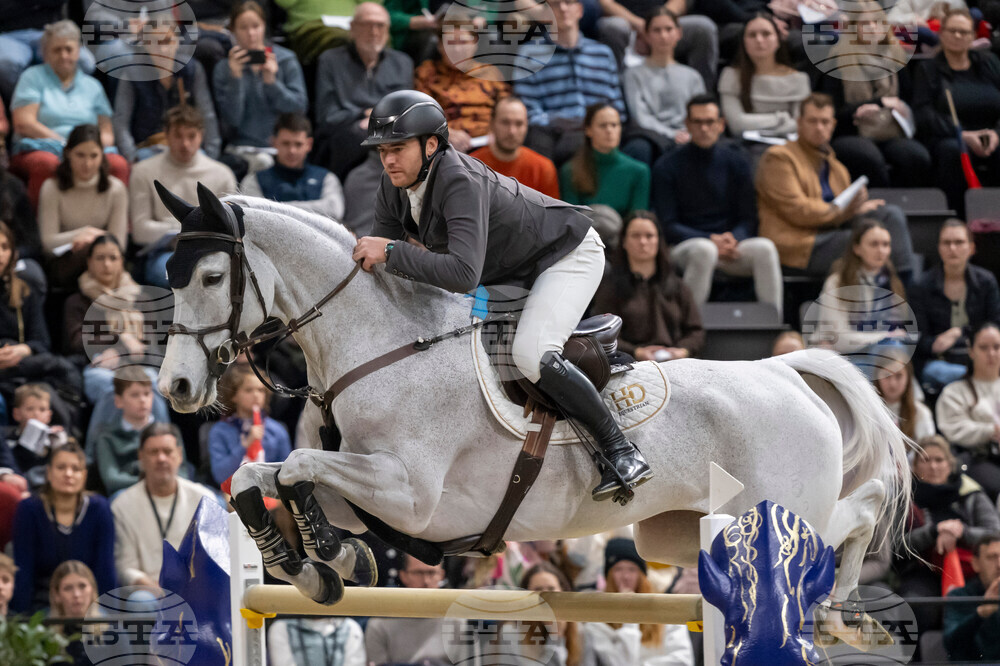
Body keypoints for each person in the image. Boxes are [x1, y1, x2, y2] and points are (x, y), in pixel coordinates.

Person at [354, 90, 651, 502]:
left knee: (530, 354)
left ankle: (621, 451)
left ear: (431, 145)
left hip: (567, 255)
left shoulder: (458, 180)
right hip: (510, 273)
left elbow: (460, 273)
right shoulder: (394, 186)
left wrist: (389, 251)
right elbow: (383, 266)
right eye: (383, 151)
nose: (388, 160)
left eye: (398, 149)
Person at [755, 94, 915, 278]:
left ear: (833, 125)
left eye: (824, 122)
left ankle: (906, 286)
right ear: (799, 123)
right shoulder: (779, 158)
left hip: (831, 235)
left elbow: (842, 214)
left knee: (890, 215)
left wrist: (857, 210)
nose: (819, 128)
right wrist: (844, 211)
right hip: (799, 245)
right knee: (868, 242)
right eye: (812, 121)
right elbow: (798, 210)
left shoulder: (837, 168)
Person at [652, 95, 782, 314]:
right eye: (697, 122)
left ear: (721, 124)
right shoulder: (667, 166)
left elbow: (749, 217)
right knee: (705, 250)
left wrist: (734, 238)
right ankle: (688, 326)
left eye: (710, 122)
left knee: (765, 249)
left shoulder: (737, 162)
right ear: (687, 124)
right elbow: (667, 224)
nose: (704, 128)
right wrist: (710, 239)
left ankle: (773, 324)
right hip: (686, 246)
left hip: (730, 246)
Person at [7, 20, 128, 208]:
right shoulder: (32, 77)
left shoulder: (92, 85)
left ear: (78, 51)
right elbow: (24, 123)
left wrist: (88, 150)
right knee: (47, 164)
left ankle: (117, 225)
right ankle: (37, 224)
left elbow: (106, 131)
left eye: (69, 49)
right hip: (40, 147)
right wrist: (66, 146)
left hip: (87, 149)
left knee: (118, 164)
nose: (64, 55)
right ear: (45, 53)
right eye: (57, 50)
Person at [816, 0, 931, 189]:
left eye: (877, 22)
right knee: (868, 157)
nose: (872, 27)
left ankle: (905, 204)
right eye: (864, 23)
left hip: (891, 129)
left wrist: (901, 108)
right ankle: (876, 203)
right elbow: (830, 113)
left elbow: (909, 101)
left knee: (916, 157)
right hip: (850, 131)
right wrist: (867, 107)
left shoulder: (897, 59)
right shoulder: (836, 61)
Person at [897, 435, 1000, 633]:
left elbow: (994, 533)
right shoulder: (903, 498)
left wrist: (961, 531)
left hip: (972, 570)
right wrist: (934, 532)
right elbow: (897, 546)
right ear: (915, 466)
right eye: (926, 460)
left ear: (950, 464)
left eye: (939, 460)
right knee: (916, 608)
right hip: (921, 571)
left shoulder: (971, 493)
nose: (933, 466)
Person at [130, 105, 237, 288]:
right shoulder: (143, 171)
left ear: (201, 136)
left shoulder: (222, 174)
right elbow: (140, 231)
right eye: (178, 136)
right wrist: (186, 231)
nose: (185, 144)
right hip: (164, 252)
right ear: (166, 135)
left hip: (212, 252)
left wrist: (177, 230)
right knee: (179, 274)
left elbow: (230, 227)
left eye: (191, 136)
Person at [513, 0, 627, 165]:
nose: (563, 8)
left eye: (569, 2)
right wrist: (556, 120)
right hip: (554, 134)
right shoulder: (530, 54)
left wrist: (595, 124)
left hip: (598, 132)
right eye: (556, 3)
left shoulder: (603, 53)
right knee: (539, 138)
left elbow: (617, 107)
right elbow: (527, 111)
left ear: (580, 10)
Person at [911, 8, 1000, 214]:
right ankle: (957, 216)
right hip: (948, 136)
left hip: (990, 134)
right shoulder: (928, 69)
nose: (958, 36)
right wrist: (963, 135)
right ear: (941, 34)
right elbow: (923, 114)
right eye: (952, 31)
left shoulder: (990, 64)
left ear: (973, 36)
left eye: (964, 32)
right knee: (952, 151)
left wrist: (996, 133)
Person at [11, 443, 116, 613]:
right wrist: (22, 619)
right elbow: (24, 570)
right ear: (49, 472)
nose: (68, 474)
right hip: (43, 604)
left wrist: (107, 615)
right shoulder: (29, 510)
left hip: (89, 605)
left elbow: (105, 568)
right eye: (61, 467)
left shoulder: (100, 509)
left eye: (75, 469)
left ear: (84, 475)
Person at [314, 3, 414, 180]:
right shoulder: (330, 60)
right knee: (354, 135)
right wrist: (362, 115)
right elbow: (327, 116)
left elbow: (405, 111)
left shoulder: (402, 63)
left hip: (391, 131)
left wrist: (374, 120)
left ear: (388, 30)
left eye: (380, 25)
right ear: (352, 28)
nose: (374, 32)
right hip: (346, 132)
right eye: (367, 25)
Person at [111, 423, 215, 589]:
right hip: (147, 590)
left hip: (196, 587)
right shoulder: (122, 505)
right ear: (141, 457)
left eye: (167, 451)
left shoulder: (203, 499)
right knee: (141, 599)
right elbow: (125, 566)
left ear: (179, 455)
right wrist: (152, 588)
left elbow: (214, 556)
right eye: (153, 452)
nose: (161, 458)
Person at [592, 211, 705, 361]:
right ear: (624, 241)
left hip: (676, 363)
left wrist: (682, 351)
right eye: (635, 236)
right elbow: (602, 334)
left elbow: (696, 331)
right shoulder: (610, 288)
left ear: (658, 240)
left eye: (649, 236)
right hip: (630, 364)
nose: (643, 242)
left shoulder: (678, 286)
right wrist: (636, 352)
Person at [214, 1, 308, 178]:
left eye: (256, 26)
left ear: (264, 26)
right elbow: (232, 121)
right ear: (233, 31)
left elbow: (298, 110)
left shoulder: (286, 59)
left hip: (281, 148)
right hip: (241, 149)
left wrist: (272, 83)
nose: (251, 34)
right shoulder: (224, 68)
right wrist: (236, 79)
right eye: (243, 28)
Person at [808, 218, 910, 376]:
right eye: (874, 244)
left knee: (895, 352)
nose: (881, 250)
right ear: (857, 248)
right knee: (890, 352)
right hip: (842, 356)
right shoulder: (837, 282)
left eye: (885, 244)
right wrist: (884, 336)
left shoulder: (893, 283)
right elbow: (840, 340)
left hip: (880, 354)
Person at [62, 235, 157, 405]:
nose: (107, 264)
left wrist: (118, 352)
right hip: (97, 368)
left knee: (151, 385)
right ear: (89, 262)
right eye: (100, 258)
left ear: (122, 261)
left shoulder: (142, 299)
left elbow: (151, 348)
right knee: (110, 387)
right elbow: (78, 343)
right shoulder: (77, 302)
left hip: (138, 367)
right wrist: (121, 338)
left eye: (113, 258)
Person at [113, 19, 220, 163]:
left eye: (167, 41)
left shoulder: (192, 69)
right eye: (155, 42)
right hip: (148, 149)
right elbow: (121, 122)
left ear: (177, 42)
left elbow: (207, 115)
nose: (162, 49)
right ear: (146, 45)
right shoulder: (132, 73)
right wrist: (133, 158)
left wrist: (211, 156)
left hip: (186, 147)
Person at [910, 219, 1000, 388]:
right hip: (939, 361)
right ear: (939, 248)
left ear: (971, 248)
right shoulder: (921, 286)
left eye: (959, 242)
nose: (952, 248)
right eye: (946, 243)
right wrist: (934, 343)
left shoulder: (986, 282)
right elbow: (917, 339)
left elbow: (995, 325)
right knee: (945, 372)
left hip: (982, 356)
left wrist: (959, 332)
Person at [37, 124, 128, 289]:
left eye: (94, 156)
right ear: (68, 153)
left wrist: (91, 237)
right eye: (80, 155)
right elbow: (48, 242)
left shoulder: (116, 189)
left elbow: (119, 242)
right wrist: (83, 234)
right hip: (64, 261)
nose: (87, 163)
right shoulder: (52, 187)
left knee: (107, 260)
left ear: (102, 156)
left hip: (104, 260)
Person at [0, 220, 81, 403]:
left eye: (5, 247)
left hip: (21, 368)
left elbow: (41, 342)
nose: (0, 254)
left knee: (48, 391)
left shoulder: (25, 290)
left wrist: (23, 349)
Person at [583, 538, 694, 665]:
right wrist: (629, 617)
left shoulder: (665, 609)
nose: (625, 576)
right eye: (618, 569)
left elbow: (683, 660)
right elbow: (621, 663)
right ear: (608, 575)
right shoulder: (597, 622)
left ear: (642, 575)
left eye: (632, 569)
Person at [621, 9, 706, 166]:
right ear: (646, 35)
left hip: (687, 135)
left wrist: (690, 134)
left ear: (679, 33)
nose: (663, 36)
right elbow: (640, 116)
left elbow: (700, 111)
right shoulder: (633, 75)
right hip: (652, 137)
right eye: (657, 30)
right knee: (639, 148)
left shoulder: (692, 76)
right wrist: (672, 134)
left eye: (669, 29)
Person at [414, 19, 510, 153]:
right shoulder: (427, 73)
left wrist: (499, 132)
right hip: (445, 147)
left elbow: (507, 109)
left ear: (475, 43)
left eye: (463, 42)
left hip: (490, 145)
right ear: (440, 46)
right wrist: (444, 133)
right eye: (450, 43)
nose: (457, 49)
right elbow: (419, 114)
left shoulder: (489, 73)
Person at [717, 14, 810, 142]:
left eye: (766, 34)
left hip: (787, 145)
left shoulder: (798, 79)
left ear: (778, 40)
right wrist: (779, 118)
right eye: (752, 35)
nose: (759, 40)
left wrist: (763, 126)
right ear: (743, 42)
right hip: (745, 144)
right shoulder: (730, 76)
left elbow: (800, 124)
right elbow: (736, 124)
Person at [936, 322, 1000, 501]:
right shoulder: (954, 392)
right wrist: (991, 431)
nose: (991, 353)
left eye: (997, 347)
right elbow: (953, 428)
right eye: (984, 348)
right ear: (971, 351)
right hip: (977, 458)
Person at [240, 113, 345, 221]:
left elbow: (334, 210)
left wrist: (275, 208)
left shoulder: (326, 178)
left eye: (298, 144)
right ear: (274, 142)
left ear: (309, 144)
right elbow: (252, 213)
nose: (292, 151)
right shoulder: (254, 180)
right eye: (286, 143)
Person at [595, 0, 718, 88]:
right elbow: (605, 2)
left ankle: (703, 99)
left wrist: (658, 23)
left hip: (663, 19)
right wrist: (640, 26)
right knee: (614, 27)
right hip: (624, 22)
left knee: (703, 28)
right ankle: (613, 96)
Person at [559, 104, 649, 219]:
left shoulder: (639, 171)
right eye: (603, 125)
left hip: (625, 230)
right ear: (588, 130)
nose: (609, 130)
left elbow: (637, 218)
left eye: (614, 125)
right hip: (586, 229)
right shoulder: (570, 170)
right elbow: (571, 219)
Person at [208, 364, 291, 488]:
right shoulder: (220, 431)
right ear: (233, 395)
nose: (256, 395)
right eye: (248, 390)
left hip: (271, 492)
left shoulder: (277, 430)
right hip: (232, 492)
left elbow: (287, 473)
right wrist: (245, 446)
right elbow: (220, 475)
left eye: (261, 390)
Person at [364, 555, 452, 663]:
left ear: (442, 575)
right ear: (403, 576)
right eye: (418, 573)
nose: (426, 581)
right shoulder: (379, 625)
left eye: (431, 572)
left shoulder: (459, 621)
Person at [470, 96, 560, 199]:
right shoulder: (472, 166)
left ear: (526, 126)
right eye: (505, 122)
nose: (512, 131)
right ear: (492, 124)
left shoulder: (543, 169)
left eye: (519, 124)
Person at [94, 370, 156, 495]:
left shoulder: (167, 434)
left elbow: (182, 473)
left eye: (147, 393)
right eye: (134, 395)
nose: (142, 400)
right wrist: (153, 481)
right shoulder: (107, 436)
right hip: (127, 493)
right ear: (118, 401)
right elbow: (111, 480)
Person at [943, 533, 1000, 662]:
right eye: (991, 557)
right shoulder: (960, 596)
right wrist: (980, 614)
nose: (999, 565)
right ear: (975, 564)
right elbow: (951, 644)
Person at [3, 384, 67, 490]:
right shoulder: (6, 438)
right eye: (30, 409)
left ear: (49, 415)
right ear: (16, 414)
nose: (36, 414)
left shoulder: (54, 438)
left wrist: (59, 444)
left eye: (42, 409)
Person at [46, 559, 99, 665]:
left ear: (92, 590)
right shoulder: (45, 635)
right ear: (57, 595)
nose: (76, 594)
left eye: (82, 586)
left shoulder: (113, 631)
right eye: (68, 588)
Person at [873, 356, 936, 444]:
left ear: (908, 378)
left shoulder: (920, 412)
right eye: (887, 376)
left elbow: (928, 448)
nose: (893, 383)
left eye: (898, 376)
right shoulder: (868, 412)